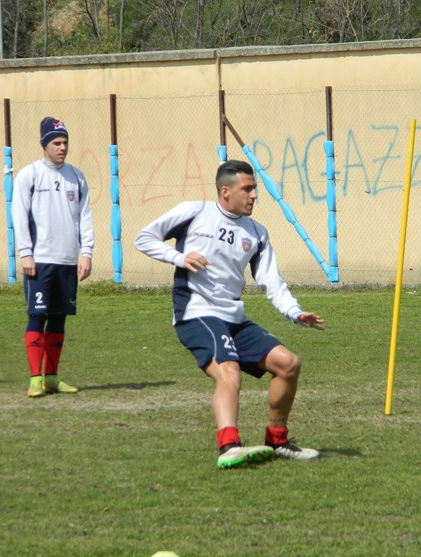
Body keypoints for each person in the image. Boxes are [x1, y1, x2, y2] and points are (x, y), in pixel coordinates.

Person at [135, 159, 325, 469]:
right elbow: (144, 238)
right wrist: (179, 258)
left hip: (233, 317)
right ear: (225, 192)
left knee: (288, 364)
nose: (254, 195)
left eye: (254, 189)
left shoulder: (257, 233)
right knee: (229, 371)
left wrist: (295, 312)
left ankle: (277, 441)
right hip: (196, 312)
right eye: (247, 189)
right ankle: (229, 447)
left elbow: (272, 282)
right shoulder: (194, 212)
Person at [12, 117, 93, 398]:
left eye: (65, 142)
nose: (62, 148)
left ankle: (52, 378)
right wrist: (25, 253)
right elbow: (19, 216)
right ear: (44, 144)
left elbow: (85, 217)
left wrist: (86, 253)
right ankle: (35, 378)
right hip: (40, 260)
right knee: (37, 315)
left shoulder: (76, 176)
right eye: (57, 143)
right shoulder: (30, 175)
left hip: (67, 260)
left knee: (59, 319)